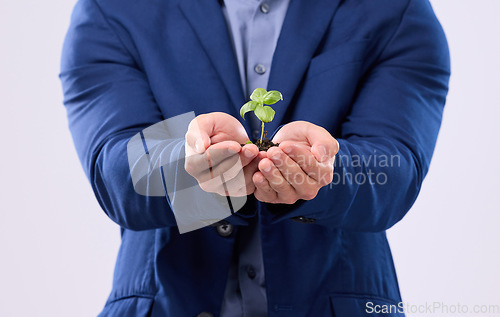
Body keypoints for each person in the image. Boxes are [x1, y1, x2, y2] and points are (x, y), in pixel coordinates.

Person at [59, 0, 450, 315]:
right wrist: (188, 161)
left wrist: (326, 170)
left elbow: (395, 171)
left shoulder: (397, 9)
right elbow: (115, 171)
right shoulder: (111, 9)